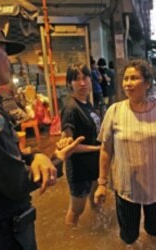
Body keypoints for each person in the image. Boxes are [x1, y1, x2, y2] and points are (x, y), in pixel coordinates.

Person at [0, 18, 84, 250]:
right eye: (4, 52)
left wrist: (36, 156)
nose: (9, 60)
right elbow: (16, 182)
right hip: (0, 236)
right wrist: (57, 158)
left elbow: (0, 157)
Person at [94, 59, 156, 246]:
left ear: (147, 83)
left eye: (134, 78)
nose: (128, 83)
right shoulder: (114, 111)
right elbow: (106, 149)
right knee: (129, 237)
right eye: (125, 79)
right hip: (126, 188)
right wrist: (102, 183)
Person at [61, 63, 101, 226]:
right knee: (76, 210)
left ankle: (99, 227)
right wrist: (99, 148)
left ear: (91, 79)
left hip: (92, 164)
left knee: (96, 200)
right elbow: (68, 147)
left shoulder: (87, 103)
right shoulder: (71, 108)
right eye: (76, 79)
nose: (82, 83)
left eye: (85, 78)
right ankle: (71, 239)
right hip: (79, 169)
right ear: (70, 83)